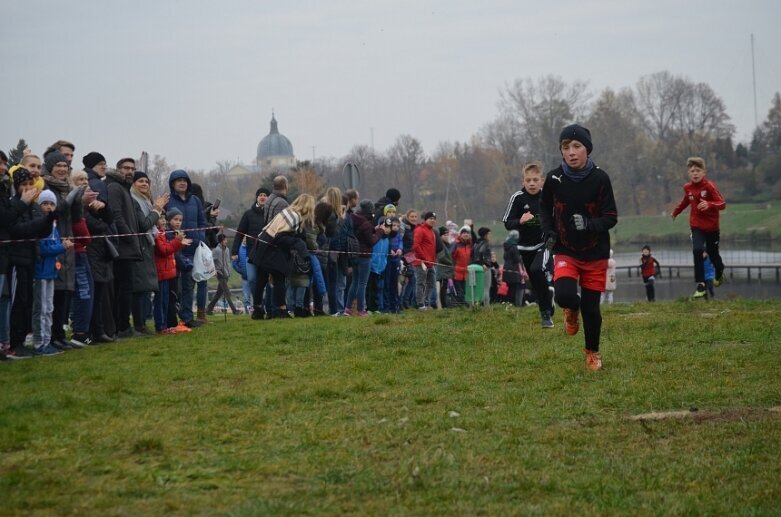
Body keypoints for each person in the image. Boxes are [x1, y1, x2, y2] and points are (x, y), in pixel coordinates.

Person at [540, 123, 618, 371]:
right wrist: (549, 231)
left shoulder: (600, 178)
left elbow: (611, 216)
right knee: (563, 295)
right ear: (561, 151)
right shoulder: (553, 178)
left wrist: (588, 224)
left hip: (595, 252)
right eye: (566, 147)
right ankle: (570, 310)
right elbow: (544, 208)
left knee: (592, 309)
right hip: (566, 249)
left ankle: (592, 352)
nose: (571, 152)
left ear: (587, 149)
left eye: (577, 146)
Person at [6, 169, 56, 359]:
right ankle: (13, 342)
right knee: (17, 301)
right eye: (23, 185)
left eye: (30, 185)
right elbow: (20, 230)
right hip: (16, 261)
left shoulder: (33, 207)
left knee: (27, 301)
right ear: (16, 186)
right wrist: (41, 222)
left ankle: (21, 340)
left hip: (30, 259)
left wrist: (49, 219)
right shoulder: (14, 206)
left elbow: (39, 233)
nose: (27, 189)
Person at [503, 161, 555, 327]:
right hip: (525, 246)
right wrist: (520, 220)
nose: (532, 183)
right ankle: (548, 298)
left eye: (535, 180)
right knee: (534, 282)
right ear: (523, 181)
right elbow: (507, 222)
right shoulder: (518, 198)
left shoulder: (548, 197)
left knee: (536, 269)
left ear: (542, 180)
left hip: (545, 243)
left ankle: (545, 315)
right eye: (528, 180)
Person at [251, 194, 316, 319]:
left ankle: (257, 310)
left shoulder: (287, 211)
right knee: (279, 277)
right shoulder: (295, 216)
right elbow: (281, 237)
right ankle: (282, 311)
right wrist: (299, 244)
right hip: (272, 247)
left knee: (261, 279)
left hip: (263, 242)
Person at [671, 157, 726, 299]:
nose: (695, 173)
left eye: (698, 170)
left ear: (704, 172)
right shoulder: (687, 188)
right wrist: (676, 211)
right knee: (697, 250)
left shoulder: (709, 186)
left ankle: (720, 272)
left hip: (712, 227)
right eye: (692, 171)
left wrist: (710, 204)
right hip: (696, 226)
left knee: (713, 254)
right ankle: (700, 284)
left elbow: (722, 204)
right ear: (689, 173)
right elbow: (686, 201)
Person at [165, 169, 207, 328]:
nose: (182, 182)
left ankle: (187, 317)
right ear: (173, 183)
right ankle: (170, 318)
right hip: (175, 249)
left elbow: (202, 222)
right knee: (175, 287)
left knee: (190, 284)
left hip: (194, 249)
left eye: (185, 180)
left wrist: (200, 236)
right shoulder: (168, 201)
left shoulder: (195, 200)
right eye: (178, 180)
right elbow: (164, 225)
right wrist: (175, 240)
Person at [31, 190, 68, 356]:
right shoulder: (39, 224)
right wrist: (62, 247)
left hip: (51, 271)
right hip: (40, 272)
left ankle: (47, 341)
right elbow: (44, 249)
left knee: (49, 308)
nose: (48, 207)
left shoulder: (54, 225)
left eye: (52, 204)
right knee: (41, 308)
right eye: (45, 203)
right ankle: (39, 343)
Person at [345, 200, 388, 316]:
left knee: (354, 282)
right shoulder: (367, 224)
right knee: (362, 283)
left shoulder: (354, 219)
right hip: (364, 256)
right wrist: (380, 231)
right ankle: (360, 310)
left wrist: (374, 229)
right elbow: (371, 241)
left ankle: (347, 309)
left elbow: (363, 234)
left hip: (354, 255)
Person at [153, 214, 190, 334]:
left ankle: (165, 326)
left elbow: (169, 248)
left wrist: (178, 243)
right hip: (161, 272)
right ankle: (161, 326)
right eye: (161, 219)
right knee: (160, 301)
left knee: (166, 301)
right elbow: (164, 250)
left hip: (167, 272)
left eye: (164, 219)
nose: (163, 221)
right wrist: (178, 241)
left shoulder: (162, 233)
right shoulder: (157, 234)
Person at [232, 187, 270, 303]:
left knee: (268, 282)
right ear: (257, 198)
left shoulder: (271, 214)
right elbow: (239, 233)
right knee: (252, 279)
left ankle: (266, 304)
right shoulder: (248, 214)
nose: (263, 197)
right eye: (260, 195)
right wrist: (234, 251)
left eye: (265, 195)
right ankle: (257, 303)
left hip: (267, 254)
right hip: (251, 253)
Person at [207, 234, 239, 315]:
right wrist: (215, 270)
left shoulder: (227, 249)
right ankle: (235, 311)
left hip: (227, 274)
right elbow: (210, 261)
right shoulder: (216, 250)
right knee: (227, 293)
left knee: (218, 294)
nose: (226, 241)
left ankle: (208, 310)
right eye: (225, 240)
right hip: (220, 274)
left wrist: (233, 258)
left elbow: (227, 260)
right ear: (221, 241)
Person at [413, 211, 438, 311]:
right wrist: (424, 258)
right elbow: (416, 245)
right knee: (420, 283)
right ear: (425, 219)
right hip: (421, 262)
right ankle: (420, 304)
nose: (432, 220)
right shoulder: (420, 230)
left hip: (430, 263)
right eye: (430, 218)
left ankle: (426, 302)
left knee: (432, 283)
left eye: (434, 219)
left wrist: (432, 260)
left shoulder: (432, 231)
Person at [451, 226, 473, 305]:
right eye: (464, 233)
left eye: (467, 233)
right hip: (457, 271)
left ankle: (463, 305)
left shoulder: (470, 245)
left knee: (465, 290)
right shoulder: (456, 244)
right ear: (460, 234)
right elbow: (451, 257)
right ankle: (461, 306)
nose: (466, 235)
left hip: (466, 272)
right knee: (459, 291)